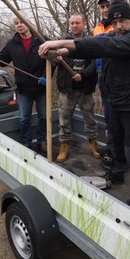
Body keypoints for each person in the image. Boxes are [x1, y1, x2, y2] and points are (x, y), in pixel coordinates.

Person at [39, 0, 130, 214]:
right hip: (115, 103)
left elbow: (102, 46)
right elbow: (92, 44)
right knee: (114, 143)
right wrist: (63, 50)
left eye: (123, 21)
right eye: (115, 21)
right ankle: (117, 173)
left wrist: (57, 43)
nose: (119, 26)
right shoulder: (114, 35)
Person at [0, 16, 49, 153]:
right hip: (23, 89)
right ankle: (26, 144)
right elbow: (3, 59)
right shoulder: (12, 43)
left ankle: (42, 141)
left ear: (28, 23)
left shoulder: (43, 40)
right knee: (24, 118)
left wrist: (47, 77)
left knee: (43, 117)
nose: (19, 25)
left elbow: (53, 60)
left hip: (41, 88)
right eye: (16, 23)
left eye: (21, 22)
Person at [54, 12, 99, 163]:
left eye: (77, 23)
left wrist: (83, 75)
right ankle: (64, 145)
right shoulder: (62, 42)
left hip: (85, 89)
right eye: (72, 23)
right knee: (64, 120)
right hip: (67, 90)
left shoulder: (90, 42)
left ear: (84, 24)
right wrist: (57, 59)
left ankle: (93, 145)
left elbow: (94, 64)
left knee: (90, 119)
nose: (74, 25)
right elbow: (52, 63)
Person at [92, 0, 116, 170]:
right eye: (102, 7)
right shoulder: (97, 28)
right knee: (107, 112)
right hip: (101, 75)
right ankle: (110, 147)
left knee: (117, 113)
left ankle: (118, 150)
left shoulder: (119, 26)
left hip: (116, 75)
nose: (105, 10)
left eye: (108, 6)